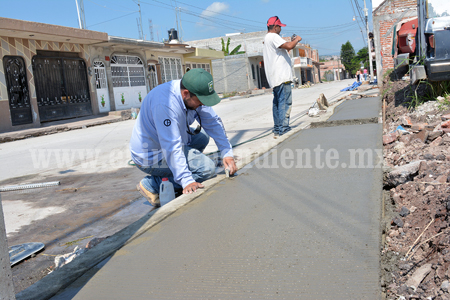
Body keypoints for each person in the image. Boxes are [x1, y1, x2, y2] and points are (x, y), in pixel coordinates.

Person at [130, 68, 237, 207]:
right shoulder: (165, 104)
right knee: (206, 169)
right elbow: (171, 146)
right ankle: (152, 185)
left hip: (170, 140)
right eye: (200, 101)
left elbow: (213, 122)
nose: (203, 104)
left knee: (202, 137)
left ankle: (181, 170)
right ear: (186, 94)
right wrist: (186, 180)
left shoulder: (193, 92)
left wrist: (227, 153)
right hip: (151, 155)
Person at [263, 16, 302, 139]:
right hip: (282, 76)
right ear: (275, 27)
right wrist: (297, 40)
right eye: (279, 27)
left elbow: (286, 49)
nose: (280, 29)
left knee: (277, 104)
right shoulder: (274, 37)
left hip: (275, 77)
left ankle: (278, 128)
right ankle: (283, 128)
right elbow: (289, 46)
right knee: (285, 103)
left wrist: (292, 42)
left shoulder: (267, 38)